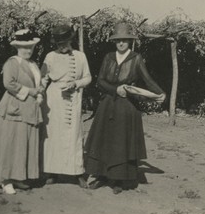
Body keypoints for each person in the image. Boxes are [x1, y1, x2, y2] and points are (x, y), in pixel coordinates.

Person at [84, 22, 166, 194]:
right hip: (108, 104)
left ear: (130, 42)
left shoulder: (136, 58)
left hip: (127, 107)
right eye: (118, 40)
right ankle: (101, 176)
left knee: (121, 142)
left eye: (125, 40)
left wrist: (160, 93)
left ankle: (118, 180)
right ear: (114, 42)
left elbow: (147, 79)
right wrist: (116, 89)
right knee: (104, 140)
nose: (121, 43)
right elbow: (100, 82)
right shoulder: (108, 57)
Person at [0, 29, 44, 195]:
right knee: (11, 143)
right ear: (17, 48)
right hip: (15, 107)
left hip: (30, 108)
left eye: (30, 47)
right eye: (24, 47)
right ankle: (6, 180)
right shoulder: (12, 63)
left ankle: (18, 177)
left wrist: (40, 89)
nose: (28, 50)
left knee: (23, 144)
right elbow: (9, 83)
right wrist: (30, 91)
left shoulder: (33, 64)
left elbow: (37, 83)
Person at [40, 24, 92, 188]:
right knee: (53, 136)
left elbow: (88, 77)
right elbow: (43, 78)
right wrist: (40, 92)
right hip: (54, 99)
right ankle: (52, 171)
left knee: (73, 135)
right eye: (58, 43)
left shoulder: (80, 56)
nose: (62, 46)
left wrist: (76, 83)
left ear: (71, 41)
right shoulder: (49, 57)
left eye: (65, 42)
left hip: (73, 98)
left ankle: (77, 173)